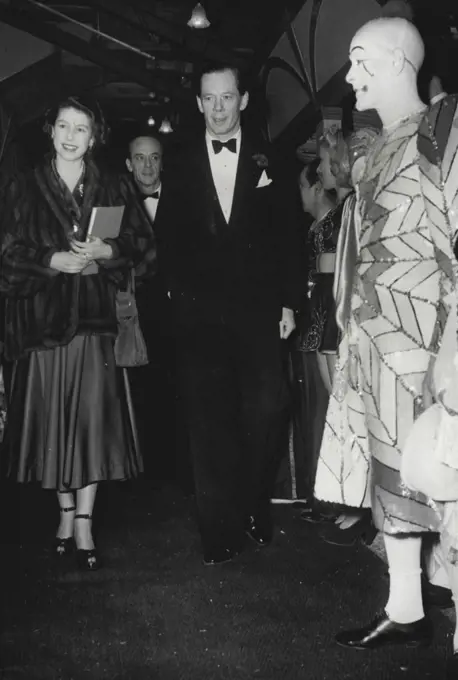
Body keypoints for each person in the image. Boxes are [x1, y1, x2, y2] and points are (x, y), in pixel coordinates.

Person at [332, 18, 458, 672]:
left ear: (403, 62)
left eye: (361, 62)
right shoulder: (375, 146)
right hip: (378, 337)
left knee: (448, 478)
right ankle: (406, 608)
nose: (350, 77)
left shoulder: (445, 128)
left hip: (432, 336)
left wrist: (452, 349)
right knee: (394, 476)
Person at [0, 96, 156, 571]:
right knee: (54, 428)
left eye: (81, 129)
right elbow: (5, 252)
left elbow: (143, 246)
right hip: (43, 325)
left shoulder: (113, 182)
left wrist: (105, 250)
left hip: (94, 323)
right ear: (50, 132)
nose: (71, 136)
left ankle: (84, 521)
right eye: (63, 126)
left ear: (94, 136)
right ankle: (64, 515)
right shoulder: (21, 185)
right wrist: (51, 260)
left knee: (90, 429)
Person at [163, 64, 303, 565]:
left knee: (269, 406)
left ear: (243, 100)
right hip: (199, 316)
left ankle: (253, 501)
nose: (219, 108)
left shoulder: (273, 158)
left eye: (227, 98)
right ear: (198, 103)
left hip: (260, 310)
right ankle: (217, 529)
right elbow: (168, 239)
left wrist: (289, 302)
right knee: (209, 421)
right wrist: (179, 297)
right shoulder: (178, 163)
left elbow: (290, 235)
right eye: (209, 99)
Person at [313, 127, 379, 546]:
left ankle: (372, 511)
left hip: (374, 327)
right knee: (355, 419)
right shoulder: (354, 203)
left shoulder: (371, 201)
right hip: (352, 323)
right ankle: (361, 504)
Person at [125, 134, 191, 490]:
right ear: (128, 163)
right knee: (140, 391)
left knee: (178, 388)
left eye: (153, 158)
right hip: (135, 314)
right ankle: (143, 474)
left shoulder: (186, 200)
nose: (147, 167)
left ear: (162, 162)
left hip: (178, 313)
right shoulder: (115, 205)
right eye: (140, 159)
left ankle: (178, 470)